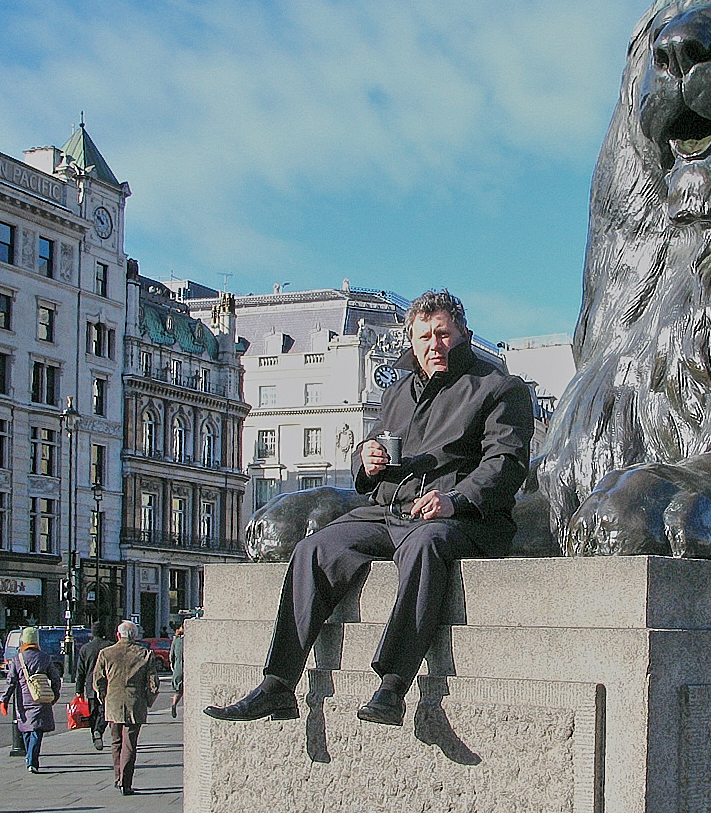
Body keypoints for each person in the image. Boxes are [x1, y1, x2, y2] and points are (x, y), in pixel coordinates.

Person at [205, 289, 533, 727]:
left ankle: (393, 684)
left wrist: (453, 500)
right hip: (390, 509)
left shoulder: (498, 388)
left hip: (462, 515)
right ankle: (278, 684)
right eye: (423, 337)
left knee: (425, 546)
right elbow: (374, 446)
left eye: (442, 334)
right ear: (411, 341)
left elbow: (505, 462)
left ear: (462, 334)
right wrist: (368, 458)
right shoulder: (399, 391)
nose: (433, 344)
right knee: (314, 549)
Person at [94, 620, 160, 795]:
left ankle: (118, 777)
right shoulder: (144, 654)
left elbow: (98, 681)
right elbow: (153, 684)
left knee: (116, 742)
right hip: (135, 703)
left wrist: (103, 697)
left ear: (118, 635)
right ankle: (126, 782)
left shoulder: (106, 653)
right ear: (135, 636)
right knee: (130, 744)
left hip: (113, 702)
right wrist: (148, 700)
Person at [0, 626, 60, 773]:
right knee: (36, 731)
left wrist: (4, 700)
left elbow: (11, 682)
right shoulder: (45, 657)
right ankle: (31, 759)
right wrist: (54, 694)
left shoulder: (17, 659)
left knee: (27, 730)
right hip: (41, 698)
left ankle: (30, 759)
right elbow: (55, 678)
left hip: (24, 702)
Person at [75, 619, 114, 750]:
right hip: (107, 684)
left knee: (93, 712)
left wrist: (78, 689)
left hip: (90, 684)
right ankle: (99, 729)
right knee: (105, 711)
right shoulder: (110, 646)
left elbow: (80, 671)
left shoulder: (85, 649)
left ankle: (95, 735)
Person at [169, 622, 185, 718]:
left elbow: (171, 656)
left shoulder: (176, 640)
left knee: (178, 690)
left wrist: (174, 667)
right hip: (186, 666)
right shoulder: (186, 640)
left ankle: (174, 704)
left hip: (178, 667)